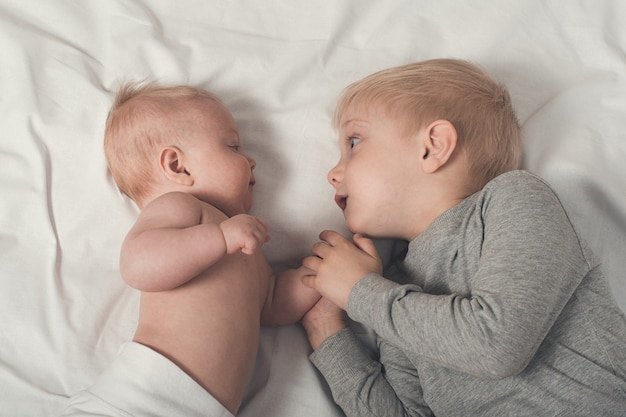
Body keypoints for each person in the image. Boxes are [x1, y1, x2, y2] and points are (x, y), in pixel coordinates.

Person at [300, 58, 626, 416]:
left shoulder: (516, 198)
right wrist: (327, 330)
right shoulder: (394, 284)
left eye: (354, 141)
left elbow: (496, 346)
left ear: (433, 146)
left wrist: (359, 291)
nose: (333, 172)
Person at [60, 82, 320, 417]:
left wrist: (317, 275)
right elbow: (138, 264)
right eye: (234, 147)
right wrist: (220, 238)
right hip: (141, 398)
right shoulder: (181, 209)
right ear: (177, 166)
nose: (252, 160)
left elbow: (272, 304)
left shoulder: (245, 245)